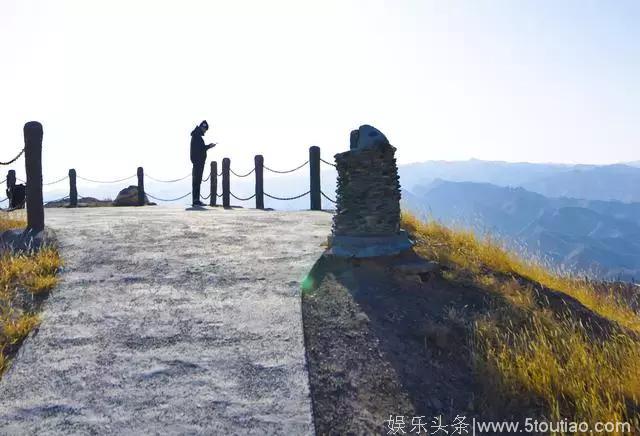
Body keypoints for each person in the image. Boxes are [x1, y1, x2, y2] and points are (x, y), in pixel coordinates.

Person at [190, 120, 216, 206]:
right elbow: (200, 149)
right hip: (198, 162)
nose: (205, 131)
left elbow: (200, 148)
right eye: (205, 129)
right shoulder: (197, 136)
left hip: (197, 162)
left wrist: (208, 146)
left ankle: (196, 200)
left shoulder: (196, 136)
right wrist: (209, 146)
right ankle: (196, 200)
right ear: (202, 127)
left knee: (197, 181)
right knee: (197, 181)